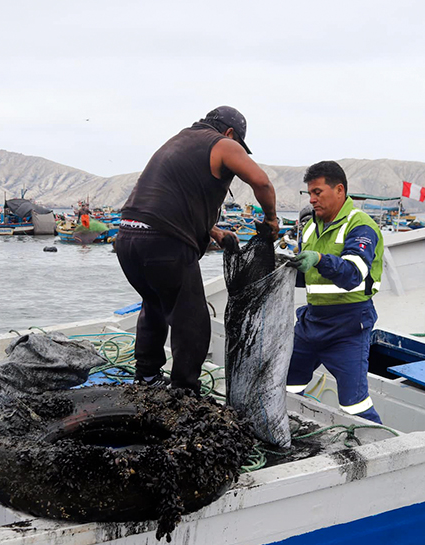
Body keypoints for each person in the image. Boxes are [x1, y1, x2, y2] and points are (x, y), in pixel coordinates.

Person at [117, 106, 279, 394]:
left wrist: (213, 231)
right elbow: (261, 182)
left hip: (128, 239)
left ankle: (146, 377)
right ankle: (184, 390)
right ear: (230, 133)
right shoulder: (222, 144)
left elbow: (172, 196)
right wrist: (270, 219)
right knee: (191, 318)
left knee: (154, 305)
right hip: (163, 242)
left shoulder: (180, 139)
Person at [287, 161, 384, 423]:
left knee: (354, 405)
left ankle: (380, 447)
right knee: (286, 386)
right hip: (310, 324)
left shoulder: (360, 226)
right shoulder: (310, 226)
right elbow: (307, 277)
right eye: (310, 193)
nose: (312, 199)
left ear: (339, 190)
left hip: (348, 327)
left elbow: (353, 274)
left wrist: (319, 258)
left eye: (318, 192)